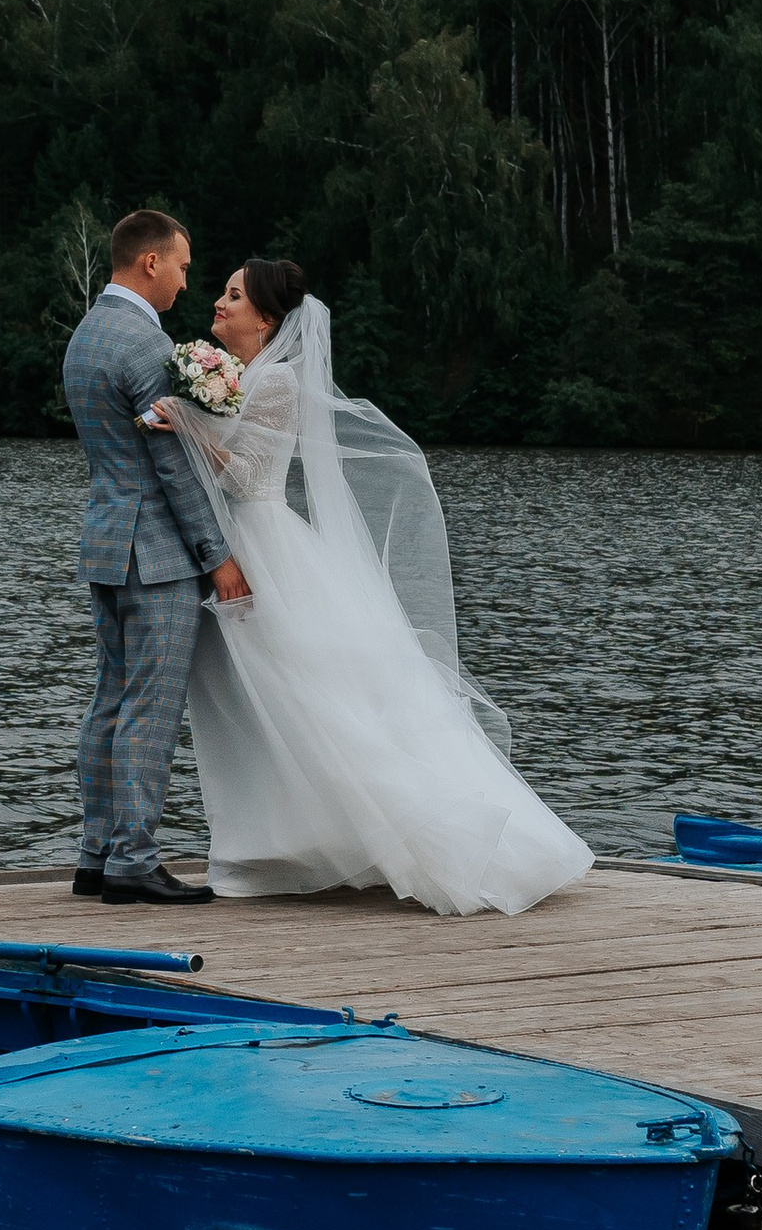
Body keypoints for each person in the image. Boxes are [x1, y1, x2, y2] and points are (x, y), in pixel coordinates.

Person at [156, 258, 593, 917]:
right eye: (223, 292)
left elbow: (247, 479)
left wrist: (189, 425)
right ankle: (281, 848)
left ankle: (432, 833)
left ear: (266, 318)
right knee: (265, 700)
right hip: (248, 542)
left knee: (310, 699)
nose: (219, 302)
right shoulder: (246, 375)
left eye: (233, 296)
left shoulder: (276, 381)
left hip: (265, 546)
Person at [60, 209, 250, 906]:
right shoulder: (145, 345)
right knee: (150, 707)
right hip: (158, 554)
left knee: (110, 701)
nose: (185, 281)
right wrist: (217, 555)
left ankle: (96, 855)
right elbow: (171, 467)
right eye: (182, 266)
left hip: (107, 542)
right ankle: (134, 861)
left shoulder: (86, 336)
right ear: (150, 262)